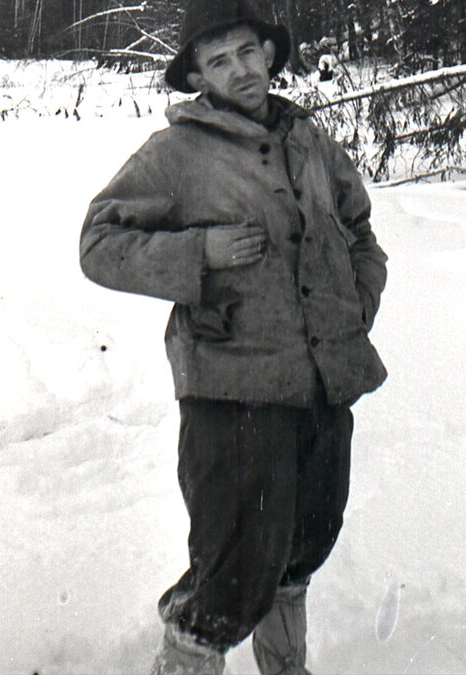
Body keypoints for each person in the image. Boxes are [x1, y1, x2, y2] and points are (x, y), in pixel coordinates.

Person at [78, 1, 388, 673]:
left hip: (321, 382)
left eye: (247, 52)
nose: (240, 69)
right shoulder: (175, 153)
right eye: (218, 60)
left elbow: (360, 229)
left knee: (305, 543)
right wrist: (201, 251)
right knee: (234, 567)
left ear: (270, 55)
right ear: (196, 76)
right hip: (232, 388)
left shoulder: (308, 139)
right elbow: (99, 243)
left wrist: (355, 307)